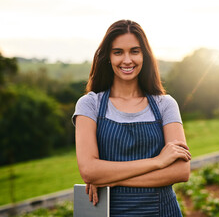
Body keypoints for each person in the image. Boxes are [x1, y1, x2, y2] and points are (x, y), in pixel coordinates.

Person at [72, 19, 191, 217]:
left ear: (144, 55)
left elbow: (180, 171)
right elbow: (89, 170)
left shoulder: (165, 104)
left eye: (134, 51)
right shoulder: (89, 105)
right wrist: (158, 162)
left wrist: (111, 177)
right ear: (108, 57)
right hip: (109, 212)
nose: (127, 60)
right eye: (118, 52)